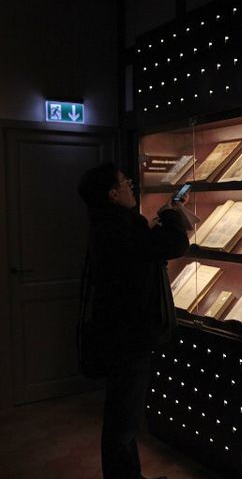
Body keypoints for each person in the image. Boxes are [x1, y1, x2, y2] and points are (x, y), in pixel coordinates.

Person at [77, 163, 189, 479]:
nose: (131, 187)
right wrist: (170, 214)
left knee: (122, 414)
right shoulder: (119, 227)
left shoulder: (109, 224)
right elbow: (175, 244)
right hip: (130, 335)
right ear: (113, 194)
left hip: (121, 332)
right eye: (125, 182)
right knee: (123, 418)